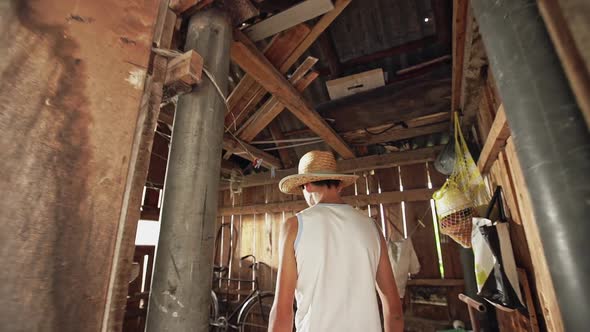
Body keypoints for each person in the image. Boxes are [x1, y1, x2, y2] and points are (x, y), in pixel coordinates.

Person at [268, 150, 404, 332]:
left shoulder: (294, 227)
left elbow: (282, 312)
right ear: (339, 185)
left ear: (306, 186)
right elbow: (394, 311)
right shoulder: (372, 227)